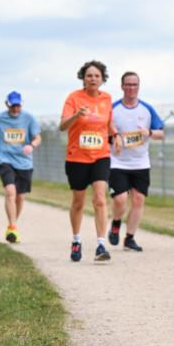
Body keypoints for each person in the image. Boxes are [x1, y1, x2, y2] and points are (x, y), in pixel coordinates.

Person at [60, 60, 121, 262]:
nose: (93, 79)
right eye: (89, 75)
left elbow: (109, 122)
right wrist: (77, 115)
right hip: (77, 157)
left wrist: (116, 135)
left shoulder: (107, 99)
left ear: (102, 79)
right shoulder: (74, 98)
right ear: (83, 78)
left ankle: (101, 244)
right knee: (78, 202)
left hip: (100, 156)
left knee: (100, 199)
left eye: (96, 75)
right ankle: (76, 240)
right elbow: (62, 126)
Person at [109, 71, 165, 252]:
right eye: (128, 84)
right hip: (117, 162)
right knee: (120, 199)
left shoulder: (147, 109)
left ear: (138, 87)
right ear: (122, 86)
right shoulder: (113, 109)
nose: (132, 88)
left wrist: (149, 133)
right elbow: (103, 132)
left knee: (139, 199)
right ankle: (116, 223)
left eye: (135, 85)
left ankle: (130, 238)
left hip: (140, 162)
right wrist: (114, 138)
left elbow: (161, 133)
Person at [0, 91, 42, 243]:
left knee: (20, 197)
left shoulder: (29, 118)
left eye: (18, 105)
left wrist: (32, 145)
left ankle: (12, 225)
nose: (16, 109)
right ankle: (13, 227)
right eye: (13, 106)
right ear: (7, 104)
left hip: (24, 162)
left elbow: (37, 137)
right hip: (5, 160)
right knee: (10, 191)